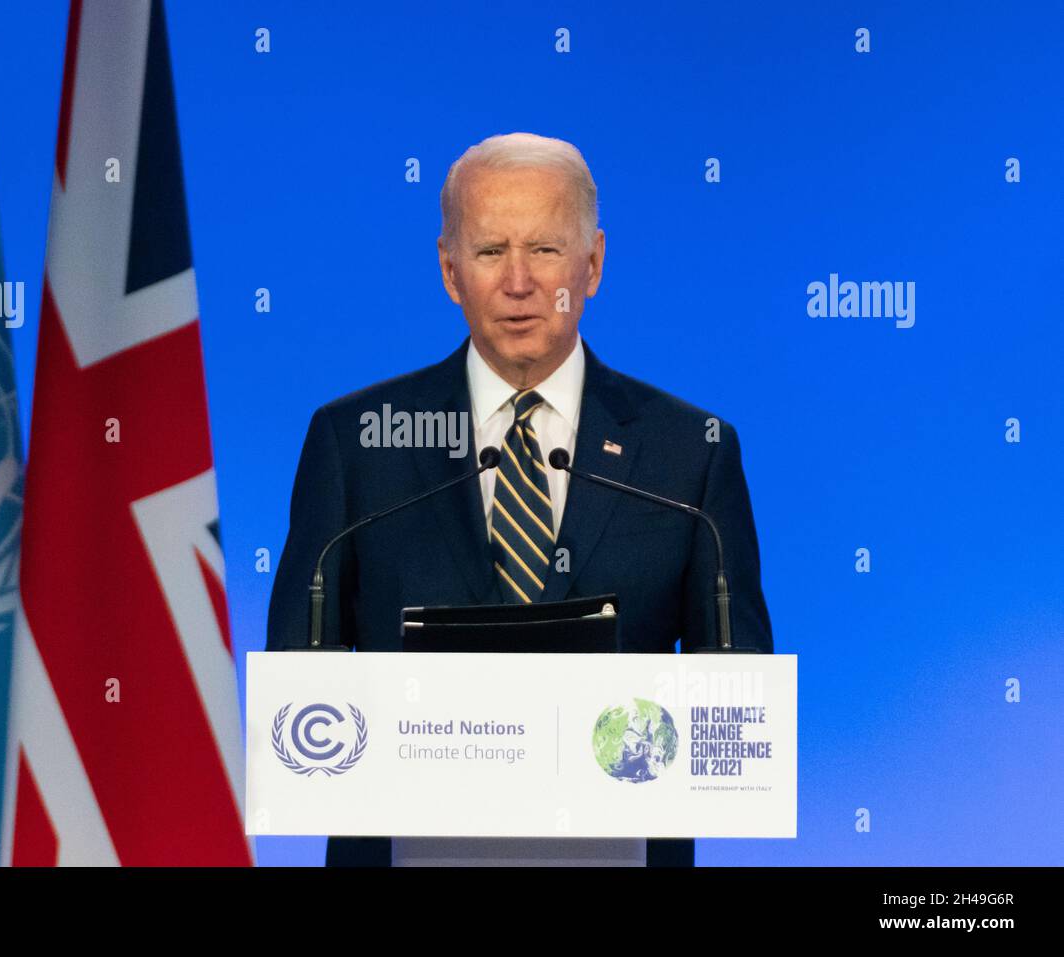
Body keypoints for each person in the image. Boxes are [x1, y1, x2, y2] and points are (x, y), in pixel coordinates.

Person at [266, 132, 774, 867]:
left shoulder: (688, 452)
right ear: (448, 269)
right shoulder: (357, 441)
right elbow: (299, 671)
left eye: (543, 249)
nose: (517, 282)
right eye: (488, 251)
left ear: (592, 262)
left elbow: (738, 696)